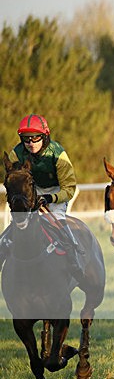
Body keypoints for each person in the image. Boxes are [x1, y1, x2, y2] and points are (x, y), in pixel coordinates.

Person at [0, 114, 83, 277]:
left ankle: (74, 259)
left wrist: (50, 198)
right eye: (26, 138)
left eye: (35, 138)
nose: (30, 143)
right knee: (17, 224)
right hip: (30, 191)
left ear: (44, 137)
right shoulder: (16, 153)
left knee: (58, 222)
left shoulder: (58, 154)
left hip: (56, 191)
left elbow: (69, 188)